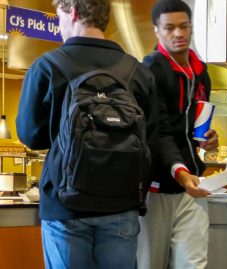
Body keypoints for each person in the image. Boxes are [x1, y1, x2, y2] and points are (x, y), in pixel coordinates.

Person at [17, 0, 184, 267]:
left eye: (59, 15)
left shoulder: (47, 66)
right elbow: (150, 144)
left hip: (65, 207)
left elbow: (30, 135)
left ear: (72, 12)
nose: (59, 24)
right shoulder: (138, 73)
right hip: (122, 206)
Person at [138, 1, 221, 267]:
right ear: (157, 31)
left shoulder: (201, 72)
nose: (178, 33)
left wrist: (208, 139)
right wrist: (181, 172)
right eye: (170, 27)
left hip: (191, 185)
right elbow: (159, 132)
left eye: (184, 26)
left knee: (193, 263)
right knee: (151, 262)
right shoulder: (151, 69)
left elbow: (194, 125)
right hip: (156, 187)